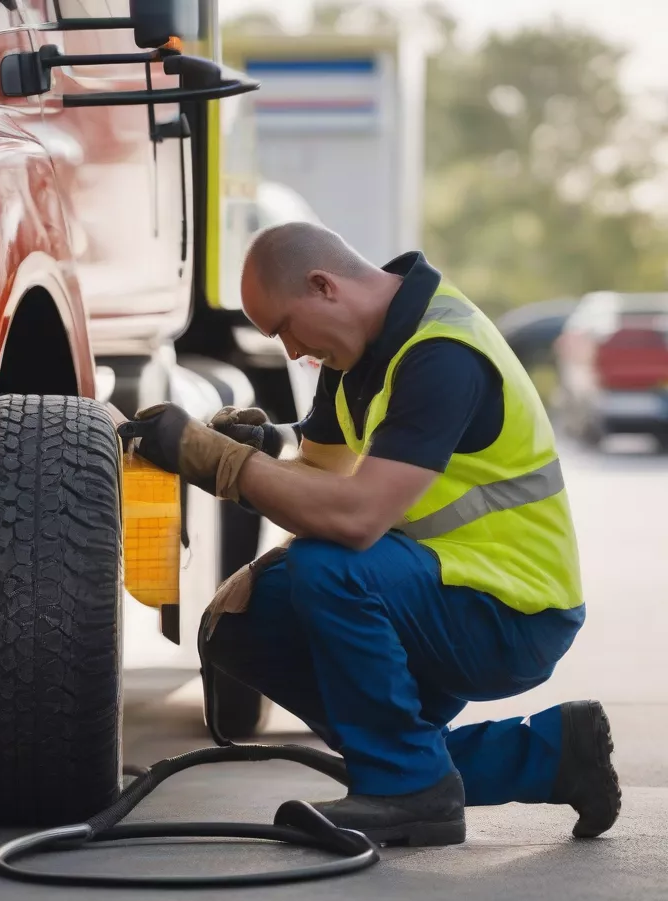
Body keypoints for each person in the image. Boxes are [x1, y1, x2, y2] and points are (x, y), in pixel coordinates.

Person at [117, 222, 620, 847]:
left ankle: (407, 789)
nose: (294, 351)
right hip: (435, 588)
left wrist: (217, 463)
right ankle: (544, 756)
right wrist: (260, 445)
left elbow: (352, 518)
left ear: (324, 286)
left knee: (329, 562)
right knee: (244, 623)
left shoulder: (443, 354)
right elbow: (319, 476)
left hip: (512, 611)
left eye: (285, 328)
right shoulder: (356, 355)